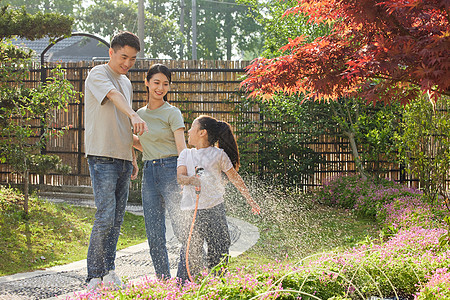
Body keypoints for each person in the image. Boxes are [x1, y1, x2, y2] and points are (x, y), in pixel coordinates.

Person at [84, 31, 148, 291]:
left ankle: (109, 271)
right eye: (124, 57)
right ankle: (93, 276)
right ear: (111, 52)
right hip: (102, 156)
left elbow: (123, 122)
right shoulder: (98, 74)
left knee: (117, 219)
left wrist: (132, 155)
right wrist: (134, 113)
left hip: (122, 157)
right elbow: (114, 98)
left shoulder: (128, 82)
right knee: (105, 216)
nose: (127, 63)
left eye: (133, 59)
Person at [176, 115, 260, 283]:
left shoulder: (218, 155)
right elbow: (180, 178)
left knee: (219, 249)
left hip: (215, 209)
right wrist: (192, 180)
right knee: (190, 252)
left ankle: (217, 286)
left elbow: (235, 178)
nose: (189, 131)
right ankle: (182, 287)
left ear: (202, 133)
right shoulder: (186, 154)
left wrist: (251, 200)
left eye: (192, 128)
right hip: (193, 211)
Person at [133, 64, 187, 279]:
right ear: (146, 83)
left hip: (171, 170)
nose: (160, 87)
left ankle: (185, 279)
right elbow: (143, 144)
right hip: (149, 173)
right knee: (154, 233)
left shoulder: (172, 113)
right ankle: (163, 281)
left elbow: (182, 147)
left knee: (183, 229)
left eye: (165, 84)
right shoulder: (138, 114)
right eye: (156, 82)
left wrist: (184, 177)